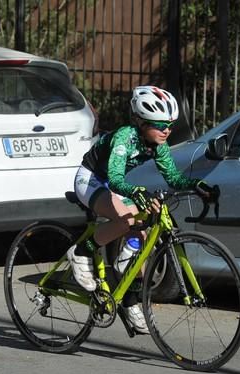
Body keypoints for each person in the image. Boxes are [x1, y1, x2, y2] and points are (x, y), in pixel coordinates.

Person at [67, 85, 212, 334]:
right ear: (141, 123)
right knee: (128, 218)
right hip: (91, 180)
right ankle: (81, 251)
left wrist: (195, 184)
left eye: (170, 125)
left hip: (114, 186)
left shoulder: (159, 145)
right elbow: (114, 178)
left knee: (142, 234)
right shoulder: (125, 137)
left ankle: (130, 300)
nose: (167, 131)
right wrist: (137, 192)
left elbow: (173, 179)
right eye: (160, 125)